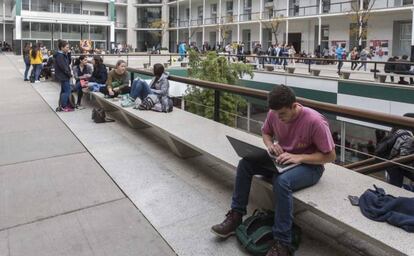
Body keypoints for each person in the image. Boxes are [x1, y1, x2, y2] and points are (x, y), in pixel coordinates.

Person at [211, 85, 336, 256]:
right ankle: (236, 216)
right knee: (245, 164)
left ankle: (283, 242)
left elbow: (330, 156)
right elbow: (266, 133)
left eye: (282, 114)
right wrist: (271, 146)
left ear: (294, 106)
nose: (278, 118)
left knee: (282, 181)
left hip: (310, 167)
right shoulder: (274, 113)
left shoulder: (315, 121)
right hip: (282, 160)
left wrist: (299, 157)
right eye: (275, 114)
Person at [375, 113, 414, 188]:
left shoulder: (400, 130)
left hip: (390, 161)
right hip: (394, 163)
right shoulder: (408, 138)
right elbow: (404, 158)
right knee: (395, 186)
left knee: (395, 184)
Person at [54, 40, 73, 112]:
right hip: (63, 76)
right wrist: (69, 74)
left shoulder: (63, 54)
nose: (68, 48)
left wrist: (69, 54)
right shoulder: (60, 56)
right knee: (67, 91)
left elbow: (68, 63)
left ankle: (61, 105)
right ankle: (64, 106)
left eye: (69, 47)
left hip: (63, 76)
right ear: (62, 48)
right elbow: (64, 67)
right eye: (67, 47)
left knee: (63, 91)